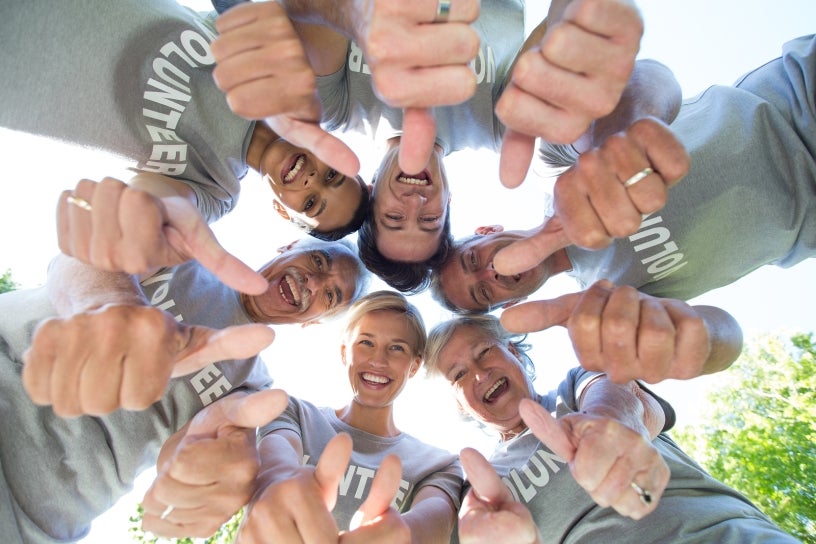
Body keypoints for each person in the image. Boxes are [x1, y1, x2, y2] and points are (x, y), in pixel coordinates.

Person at [213, 0, 644, 291]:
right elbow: (561, 30)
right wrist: (586, 23)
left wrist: (357, 14)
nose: (415, 200)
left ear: (370, 193)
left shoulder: (337, 107)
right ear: (450, 199)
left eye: (395, 217)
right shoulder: (504, 124)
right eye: (430, 218)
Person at [1, 237, 369, 543]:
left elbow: (191, 448)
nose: (314, 283)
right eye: (318, 261)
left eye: (331, 296)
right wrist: (115, 306)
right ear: (289, 246)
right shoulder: (188, 253)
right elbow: (89, 253)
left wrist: (203, 475)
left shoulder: (253, 387)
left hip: (30, 513)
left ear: (314, 322)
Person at [0, 0, 369, 286]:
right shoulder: (296, 89)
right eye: (332, 176)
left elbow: (163, 207)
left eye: (311, 202)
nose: (311, 181)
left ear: (283, 212)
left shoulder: (215, 188)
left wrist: (146, 221)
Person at [476, 34, 816, 306]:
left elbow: (651, 76)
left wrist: (617, 142)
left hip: (798, 96)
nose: (490, 274)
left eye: (472, 262)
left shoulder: (553, 169)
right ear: (509, 305)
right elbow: (715, 332)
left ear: (486, 230)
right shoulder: (611, 300)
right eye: (482, 293)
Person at [424, 314, 799, 543]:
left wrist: (609, 421)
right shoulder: (478, 486)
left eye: (485, 351)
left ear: (516, 353)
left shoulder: (574, 387)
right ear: (459, 403)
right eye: (458, 375)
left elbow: (619, 393)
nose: (479, 372)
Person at [237, 291, 463, 542]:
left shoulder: (439, 465)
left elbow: (435, 523)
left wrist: (401, 535)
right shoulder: (292, 412)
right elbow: (276, 464)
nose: (378, 360)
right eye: (366, 342)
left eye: (397, 348)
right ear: (345, 352)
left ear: (414, 365)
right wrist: (278, 486)